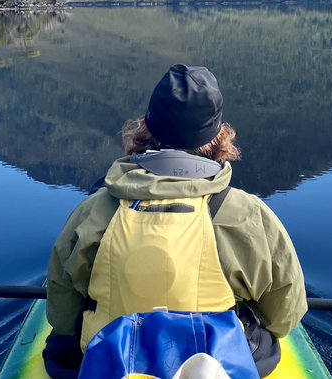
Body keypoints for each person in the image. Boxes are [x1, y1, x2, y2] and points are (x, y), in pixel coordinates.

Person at [43, 64, 308, 378]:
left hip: (112, 361)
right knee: (265, 344)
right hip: (215, 363)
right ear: (219, 136)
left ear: (146, 128)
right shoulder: (247, 214)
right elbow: (284, 315)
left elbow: (61, 314)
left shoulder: (94, 210)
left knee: (60, 347)